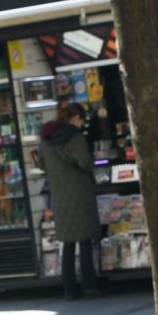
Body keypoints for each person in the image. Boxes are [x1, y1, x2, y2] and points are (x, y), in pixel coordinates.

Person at [36, 101, 102, 301]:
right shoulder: (75, 137)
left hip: (61, 197)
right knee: (84, 241)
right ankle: (89, 287)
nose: (81, 123)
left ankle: (69, 290)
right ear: (75, 118)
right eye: (81, 119)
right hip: (80, 193)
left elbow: (41, 164)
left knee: (68, 243)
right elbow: (84, 162)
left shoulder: (46, 139)